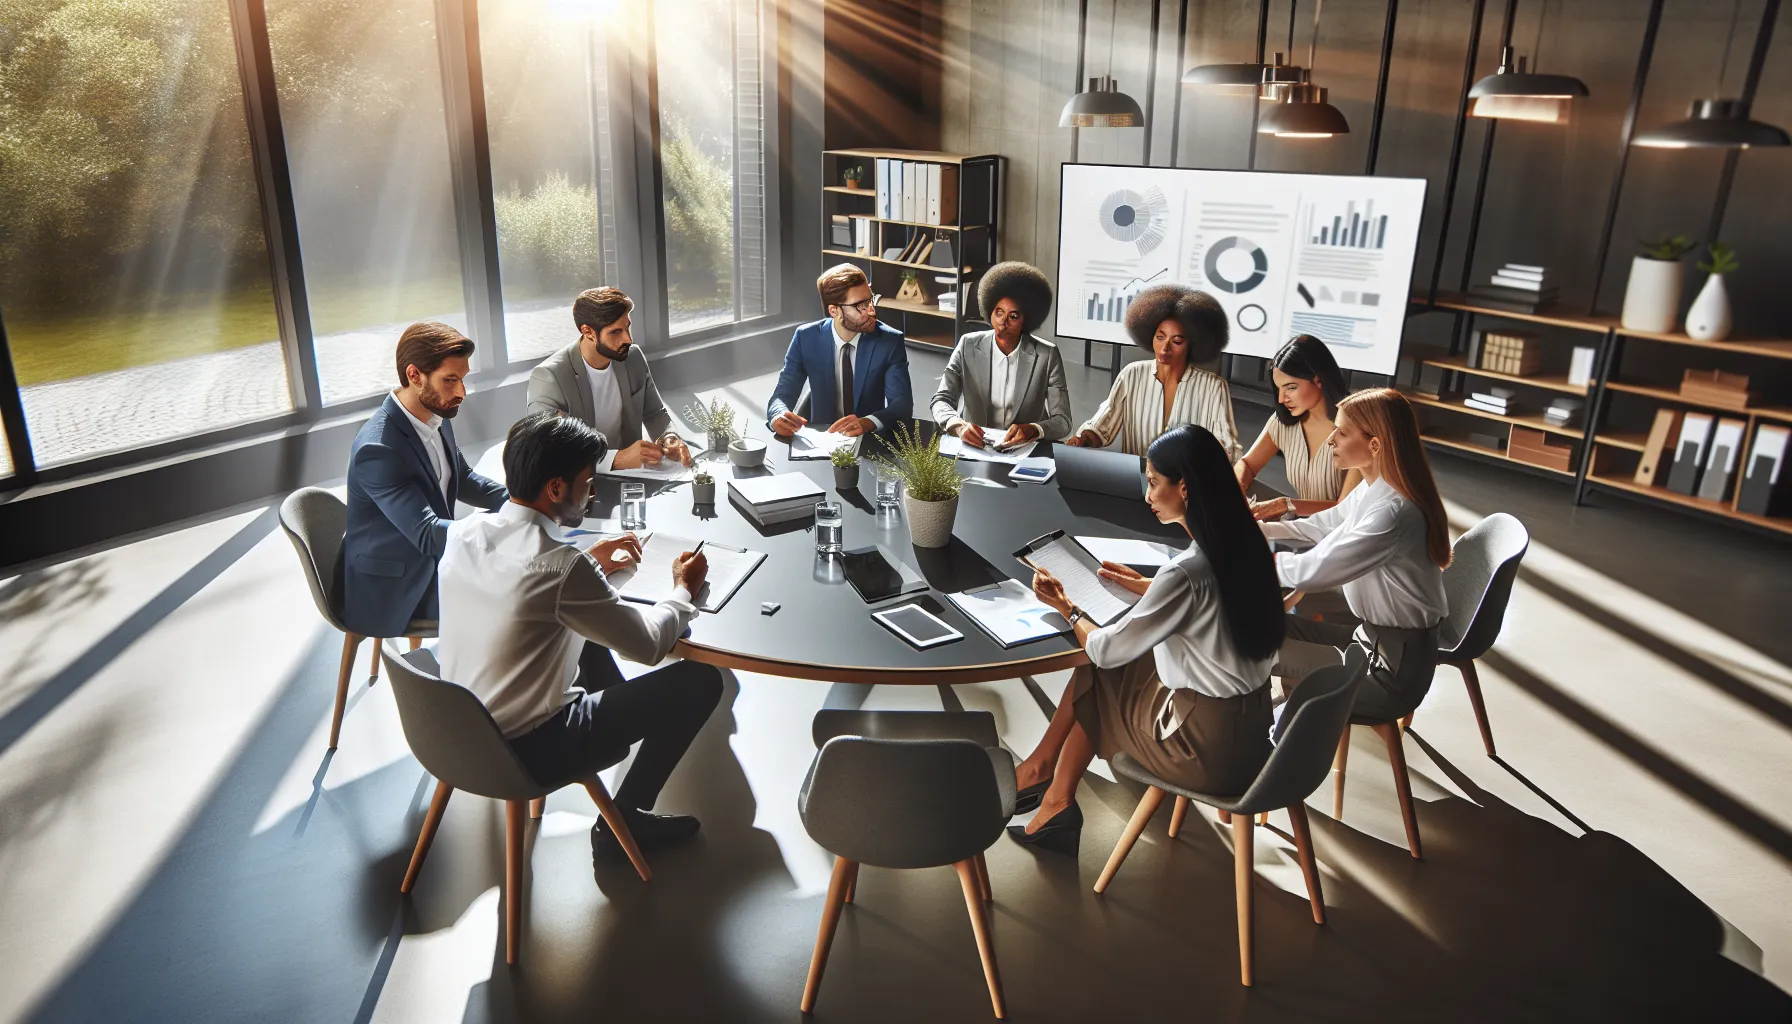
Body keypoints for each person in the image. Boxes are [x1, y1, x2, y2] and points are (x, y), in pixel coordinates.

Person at [437, 412, 724, 863]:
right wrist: (683, 589)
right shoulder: (563, 568)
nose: (591, 491)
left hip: (453, 731)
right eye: (587, 481)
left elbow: (525, 590)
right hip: (527, 751)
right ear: (555, 488)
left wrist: (590, 562)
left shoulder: (463, 533)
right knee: (701, 681)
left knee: (584, 634)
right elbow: (649, 646)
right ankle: (624, 821)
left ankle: (624, 722)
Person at [1008, 425, 1286, 854]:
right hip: (1254, 737)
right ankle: (1048, 789)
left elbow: (1103, 649)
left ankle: (1049, 791)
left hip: (1205, 754)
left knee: (1099, 667)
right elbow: (1210, 604)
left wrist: (1068, 606)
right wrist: (1151, 589)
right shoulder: (1249, 546)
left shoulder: (1187, 573)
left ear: (1186, 488)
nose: (1148, 495)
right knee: (1126, 661)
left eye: (1155, 483)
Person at [1262, 388, 1450, 722]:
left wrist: (1241, 557)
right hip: (1370, 642)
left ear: (1374, 445)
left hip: (1390, 673)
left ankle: (1255, 741)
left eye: (1343, 432)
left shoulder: (1392, 512)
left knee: (1245, 644)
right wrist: (1254, 531)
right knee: (1262, 628)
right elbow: (1319, 528)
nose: (1331, 439)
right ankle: (1261, 728)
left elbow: (1314, 571)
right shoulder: (1375, 488)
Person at [343, 321, 508, 640]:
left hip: (433, 560)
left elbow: (464, 478)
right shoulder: (378, 449)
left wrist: (523, 501)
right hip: (396, 587)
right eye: (450, 380)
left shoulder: (435, 413)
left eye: (463, 379)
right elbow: (427, 534)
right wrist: (508, 527)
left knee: (530, 578)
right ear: (414, 375)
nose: (461, 392)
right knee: (517, 595)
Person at [1064, 284, 1240, 458]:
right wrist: (1084, 438)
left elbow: (1227, 445)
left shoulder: (1213, 387)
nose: (1165, 348)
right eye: (1160, 337)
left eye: (1177, 341)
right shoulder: (1131, 375)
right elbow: (1104, 423)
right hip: (1138, 480)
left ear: (1193, 344)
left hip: (1188, 484)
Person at [526, 286, 691, 469]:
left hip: (633, 477)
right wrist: (616, 460)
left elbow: (654, 413)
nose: (628, 339)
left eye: (627, 327)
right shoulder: (548, 377)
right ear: (588, 331)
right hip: (579, 484)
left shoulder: (633, 357)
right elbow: (551, 450)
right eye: (615, 332)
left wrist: (668, 437)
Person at [929, 261, 1071, 446]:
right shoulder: (968, 346)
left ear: (1026, 319)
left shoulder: (1047, 355)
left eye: (1013, 316)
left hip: (1024, 449)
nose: (1003, 322)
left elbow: (1063, 421)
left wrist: (1033, 430)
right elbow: (941, 400)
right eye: (999, 312)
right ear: (990, 310)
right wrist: (958, 426)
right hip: (975, 447)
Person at [767, 263, 913, 438]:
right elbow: (782, 394)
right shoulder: (805, 338)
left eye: (870, 300)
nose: (872, 311)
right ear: (834, 311)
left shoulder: (889, 341)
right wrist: (778, 415)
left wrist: (867, 422)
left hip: (868, 439)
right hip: (821, 440)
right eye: (861, 305)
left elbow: (901, 405)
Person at [1234, 334, 1359, 520]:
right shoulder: (1283, 423)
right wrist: (1234, 492)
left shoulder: (1358, 426)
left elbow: (1345, 510)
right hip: (1303, 526)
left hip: (1346, 535)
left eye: (1291, 387)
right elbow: (1248, 465)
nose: (1281, 399)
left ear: (1318, 380)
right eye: (1279, 389)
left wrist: (1285, 504)